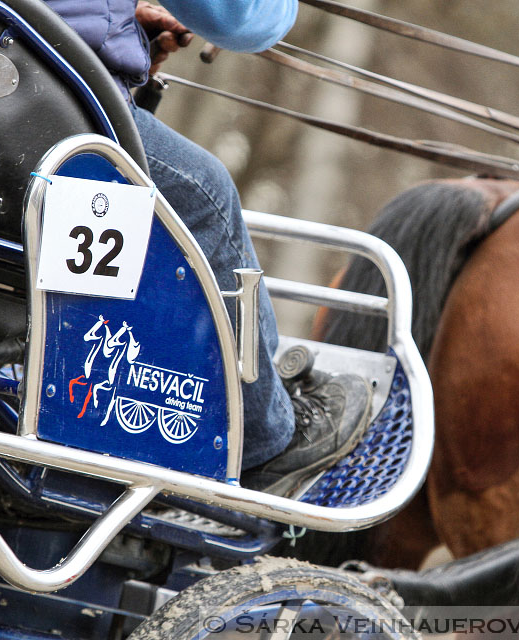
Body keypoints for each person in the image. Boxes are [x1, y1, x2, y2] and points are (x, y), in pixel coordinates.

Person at [43, 0, 372, 497]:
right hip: (46, 95)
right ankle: (267, 440)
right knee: (204, 192)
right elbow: (234, 15)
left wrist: (118, 24)